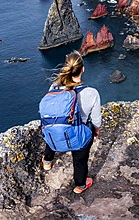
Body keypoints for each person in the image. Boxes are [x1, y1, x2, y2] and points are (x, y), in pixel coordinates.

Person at [42, 50, 101, 194]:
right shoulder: (91, 93)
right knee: (80, 157)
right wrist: (96, 130)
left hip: (55, 134)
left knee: (55, 126)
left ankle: (47, 161)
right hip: (78, 138)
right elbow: (96, 120)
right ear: (82, 69)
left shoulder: (55, 87)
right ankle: (80, 185)